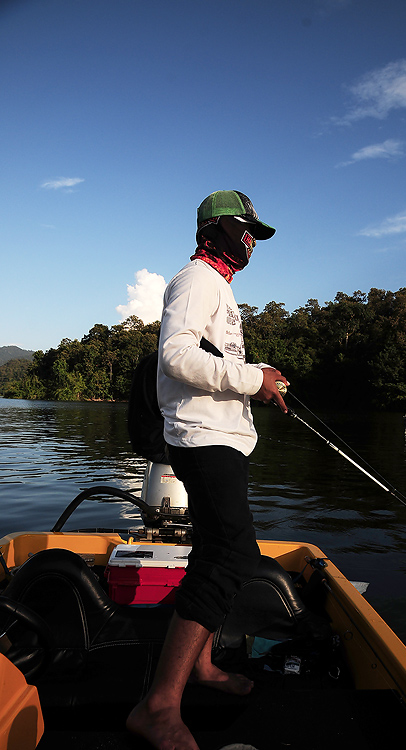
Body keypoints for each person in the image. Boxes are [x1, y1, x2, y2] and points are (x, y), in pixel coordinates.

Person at [126, 190, 289, 750]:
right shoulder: (196, 280)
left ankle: (202, 667)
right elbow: (175, 358)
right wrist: (253, 379)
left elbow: (212, 363)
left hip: (219, 440)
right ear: (216, 228)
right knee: (231, 557)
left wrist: (257, 381)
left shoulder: (218, 286)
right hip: (202, 441)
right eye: (246, 229)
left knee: (215, 554)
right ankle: (158, 706)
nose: (251, 241)